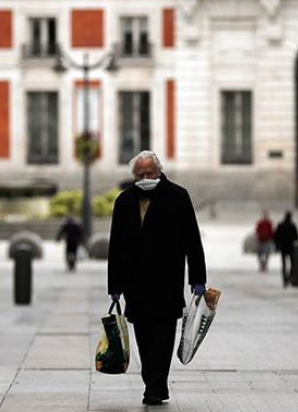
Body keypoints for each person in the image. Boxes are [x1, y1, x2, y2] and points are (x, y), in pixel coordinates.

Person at [108, 150, 207, 406]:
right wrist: (115, 285)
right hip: (136, 285)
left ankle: (155, 387)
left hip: (167, 282)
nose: (144, 178)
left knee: (163, 337)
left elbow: (192, 240)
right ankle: (152, 382)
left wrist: (198, 279)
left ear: (159, 171)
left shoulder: (178, 196)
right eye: (139, 174)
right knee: (143, 336)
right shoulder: (125, 200)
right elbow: (115, 246)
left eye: (148, 173)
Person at [274, 211, 298, 287]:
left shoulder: (280, 225)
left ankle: (285, 278)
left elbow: (276, 237)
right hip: (291, 247)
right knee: (292, 263)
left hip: (283, 247)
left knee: (284, 264)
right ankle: (291, 276)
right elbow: (297, 238)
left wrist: (277, 246)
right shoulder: (293, 226)